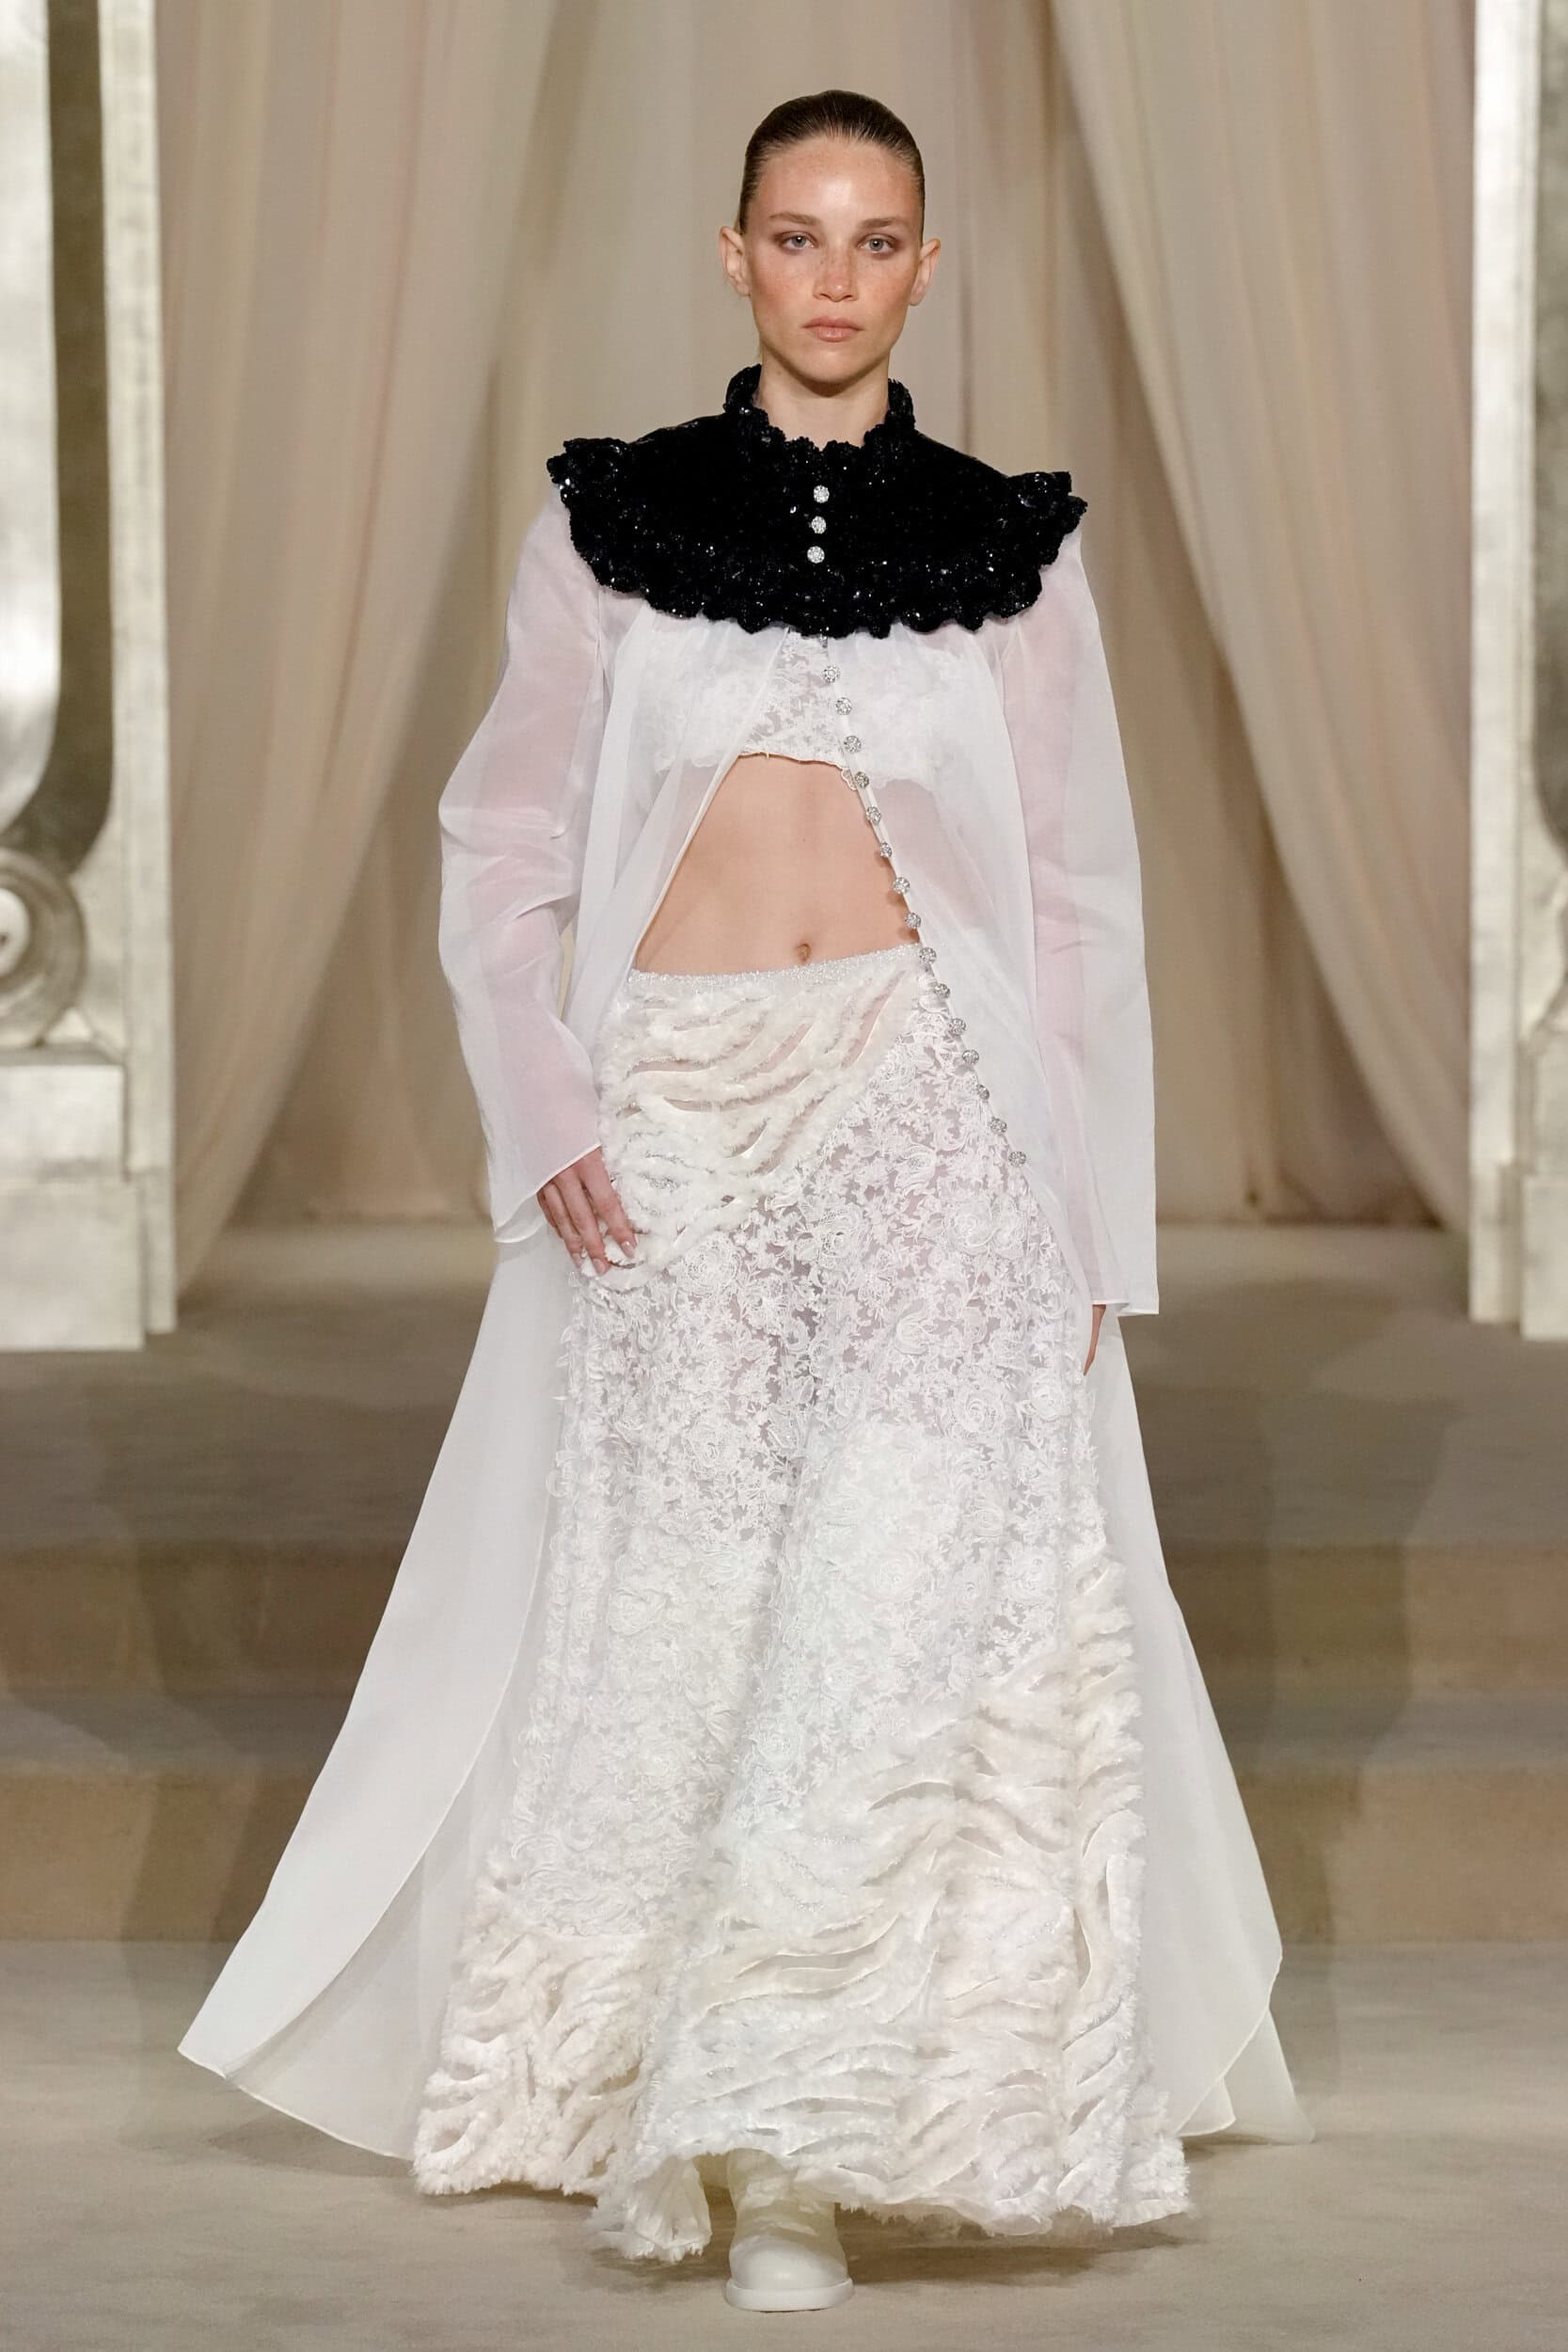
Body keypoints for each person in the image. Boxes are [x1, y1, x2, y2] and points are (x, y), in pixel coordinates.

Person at [180, 87, 1311, 2315]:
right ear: (734, 255)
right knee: (684, 1594)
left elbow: (1075, 893)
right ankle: (648, 2061)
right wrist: (545, 1099)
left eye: (877, 239)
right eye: (798, 234)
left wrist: (1091, 1216)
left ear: (925, 268)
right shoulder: (611, 522)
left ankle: (792, 2135)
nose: (835, 276)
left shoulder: (1011, 545)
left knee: (892, 1607)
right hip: (678, 1110)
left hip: (933, 1096)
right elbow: (502, 844)